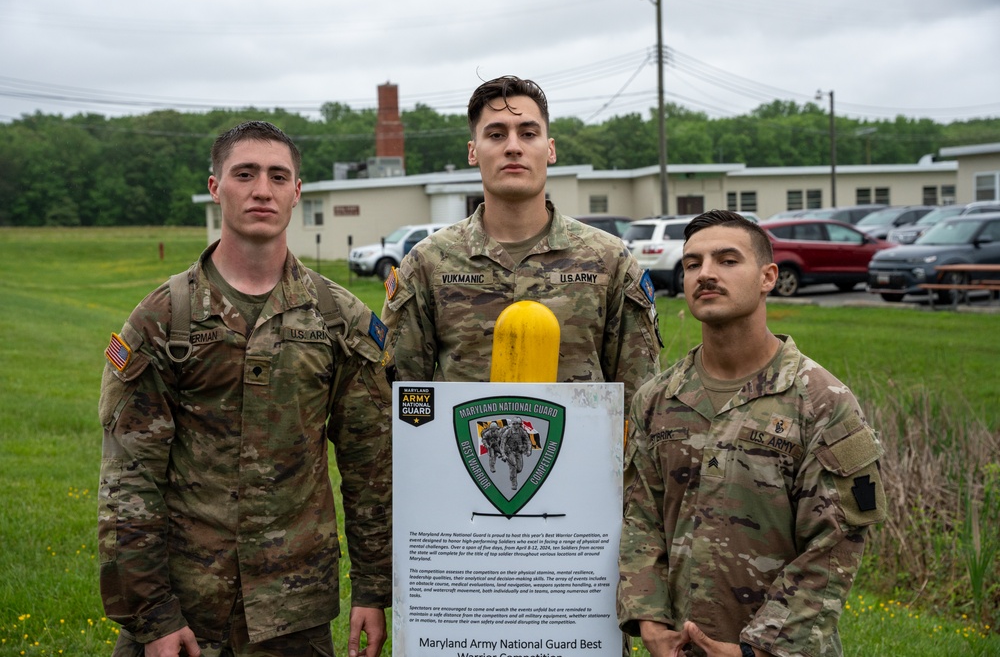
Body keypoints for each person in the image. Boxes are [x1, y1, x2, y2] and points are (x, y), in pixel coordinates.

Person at [98, 121, 391, 657]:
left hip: (295, 615)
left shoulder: (339, 319)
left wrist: (373, 586)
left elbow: (370, 463)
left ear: (297, 192)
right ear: (216, 187)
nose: (262, 189)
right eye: (245, 174)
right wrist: (153, 615)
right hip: (186, 613)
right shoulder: (163, 319)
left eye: (279, 176)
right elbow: (128, 484)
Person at [617, 210, 886, 657]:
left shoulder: (821, 401)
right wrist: (650, 621)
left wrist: (756, 650)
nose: (705, 274)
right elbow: (640, 518)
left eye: (727, 260)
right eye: (692, 263)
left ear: (768, 277)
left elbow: (836, 544)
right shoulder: (657, 399)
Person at [380, 75, 661, 411]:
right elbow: (397, 402)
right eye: (496, 134)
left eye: (528, 133)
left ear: (550, 148)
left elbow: (639, 399)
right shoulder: (429, 263)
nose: (513, 146)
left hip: (583, 461)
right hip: (464, 458)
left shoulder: (608, 261)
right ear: (473, 151)